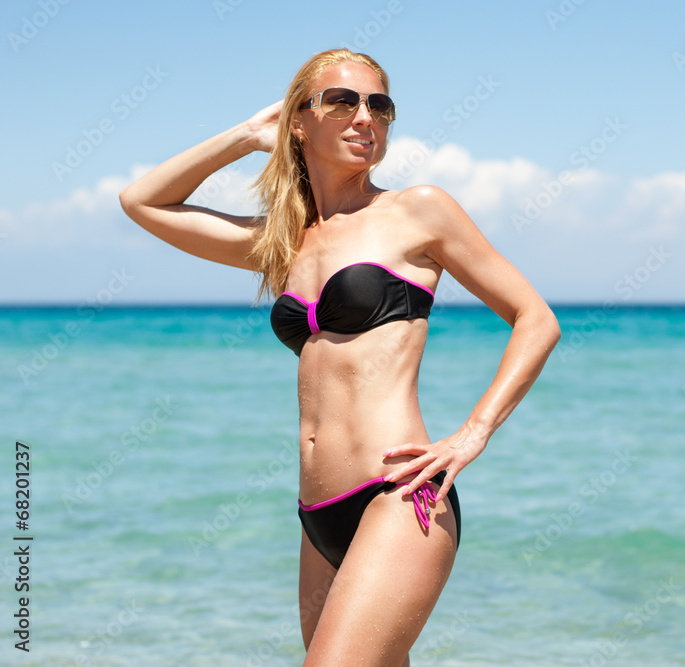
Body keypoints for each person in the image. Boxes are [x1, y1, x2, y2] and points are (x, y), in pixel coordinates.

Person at [118, 48, 561, 666]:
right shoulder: (281, 242)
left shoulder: (417, 211)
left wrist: (471, 434)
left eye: (379, 105)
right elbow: (142, 203)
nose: (365, 117)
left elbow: (535, 319)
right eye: (343, 101)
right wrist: (248, 135)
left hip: (401, 494)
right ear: (298, 121)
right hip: (316, 517)